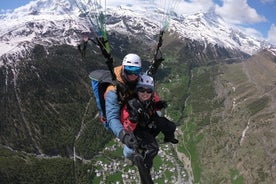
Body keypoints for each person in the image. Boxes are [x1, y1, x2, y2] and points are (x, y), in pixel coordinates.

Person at [120, 74, 178, 169]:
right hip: (137, 131)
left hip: (147, 123)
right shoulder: (131, 105)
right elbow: (126, 127)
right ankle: (145, 165)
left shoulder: (150, 99)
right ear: (137, 90)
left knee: (170, 126)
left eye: (149, 91)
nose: (145, 93)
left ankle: (168, 137)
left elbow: (149, 108)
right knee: (153, 148)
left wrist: (158, 105)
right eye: (141, 90)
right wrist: (132, 120)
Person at [104, 53, 142, 151]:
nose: (133, 75)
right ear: (124, 69)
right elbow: (112, 118)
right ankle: (129, 155)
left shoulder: (138, 79)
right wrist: (124, 136)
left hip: (130, 113)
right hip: (119, 121)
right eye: (129, 71)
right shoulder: (112, 90)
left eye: (136, 71)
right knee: (131, 148)